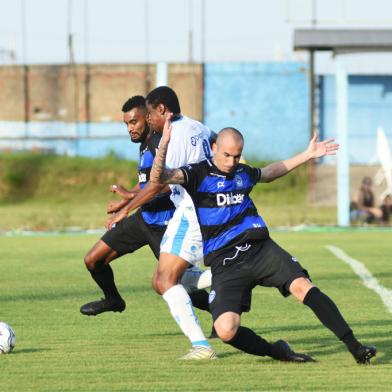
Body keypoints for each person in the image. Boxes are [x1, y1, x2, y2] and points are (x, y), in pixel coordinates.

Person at [151, 118, 377, 365]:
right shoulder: (197, 173)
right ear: (214, 147)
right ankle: (277, 351)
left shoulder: (242, 173)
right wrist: (163, 146)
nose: (231, 162)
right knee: (226, 329)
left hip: (260, 249)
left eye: (237, 157)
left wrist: (307, 154)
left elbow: (268, 173)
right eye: (227, 155)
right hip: (226, 262)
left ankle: (355, 347)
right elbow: (159, 177)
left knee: (303, 286)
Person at [80, 95, 212, 321]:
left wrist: (126, 207)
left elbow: (166, 185)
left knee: (171, 282)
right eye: (127, 124)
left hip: (166, 223)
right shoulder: (144, 145)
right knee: (93, 260)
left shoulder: (163, 143)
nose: (130, 129)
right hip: (144, 218)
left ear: (148, 118)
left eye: (135, 122)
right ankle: (113, 299)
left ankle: (218, 309)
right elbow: (146, 182)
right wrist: (127, 198)